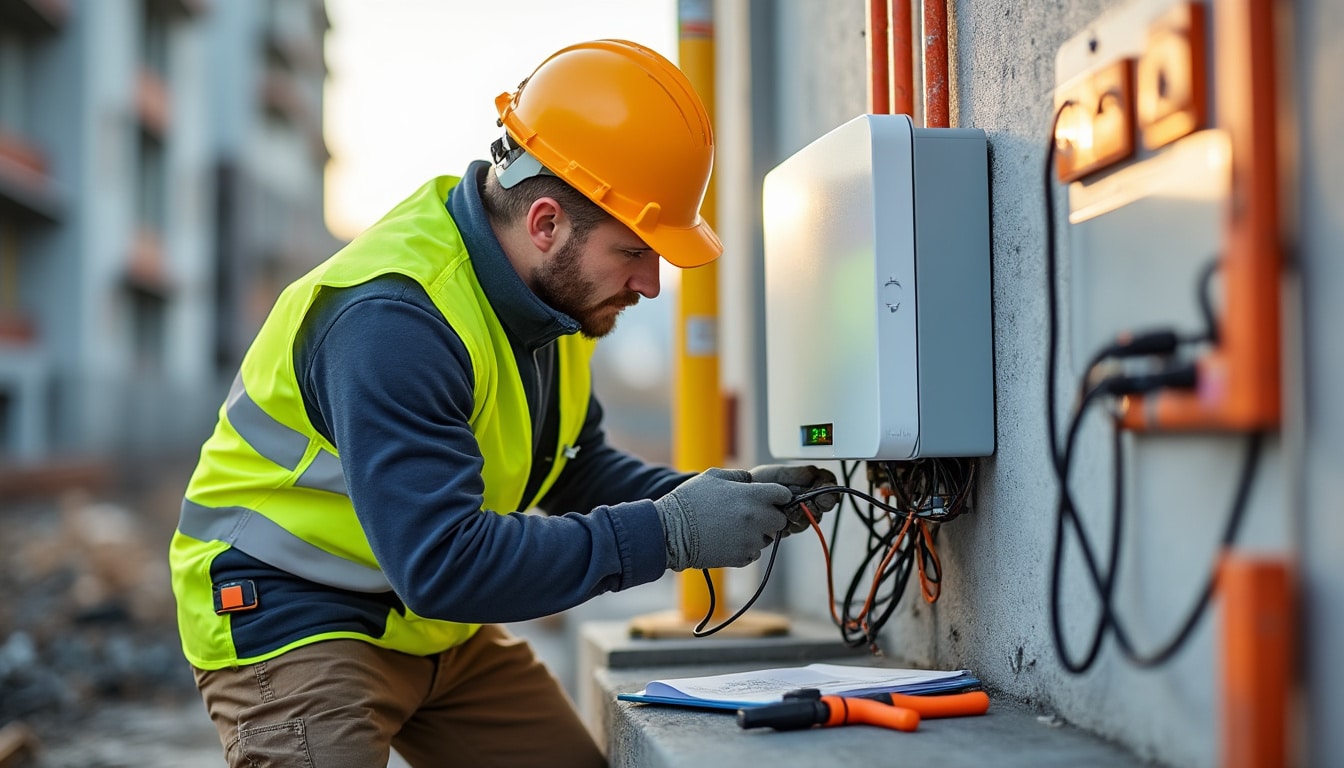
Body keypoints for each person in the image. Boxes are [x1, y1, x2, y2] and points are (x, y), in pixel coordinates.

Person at [169, 39, 836, 768]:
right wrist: (669, 533)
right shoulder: (396, 321)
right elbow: (446, 564)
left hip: (427, 622)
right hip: (294, 614)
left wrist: (710, 499)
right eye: (635, 251)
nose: (650, 283)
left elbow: (576, 467)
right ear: (546, 222)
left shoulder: (555, 299)